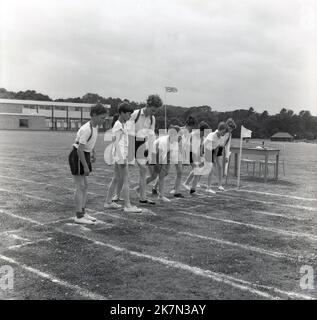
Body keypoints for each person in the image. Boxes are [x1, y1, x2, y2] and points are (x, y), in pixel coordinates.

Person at [68, 103, 108, 225]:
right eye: (102, 118)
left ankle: (83, 212)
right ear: (94, 115)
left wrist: (92, 153)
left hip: (84, 154)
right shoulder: (87, 129)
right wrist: (85, 166)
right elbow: (79, 149)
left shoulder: (94, 127)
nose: (103, 120)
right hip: (78, 155)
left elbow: (88, 145)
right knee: (80, 186)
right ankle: (78, 215)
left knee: (85, 186)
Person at [104, 102, 142, 213]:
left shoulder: (122, 124)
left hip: (119, 155)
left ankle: (108, 202)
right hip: (120, 156)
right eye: (128, 114)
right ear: (121, 113)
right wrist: (122, 157)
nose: (130, 116)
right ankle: (127, 205)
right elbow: (116, 142)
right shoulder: (118, 125)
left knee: (116, 178)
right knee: (126, 180)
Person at [127, 94, 163, 205]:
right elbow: (126, 131)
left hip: (141, 144)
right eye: (153, 109)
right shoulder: (134, 114)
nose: (154, 112)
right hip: (129, 142)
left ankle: (143, 197)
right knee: (122, 172)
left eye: (156, 110)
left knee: (143, 170)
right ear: (147, 105)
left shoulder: (152, 119)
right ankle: (116, 196)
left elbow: (151, 137)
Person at [153, 116, 197, 198]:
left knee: (180, 172)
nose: (192, 128)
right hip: (172, 152)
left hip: (179, 154)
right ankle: (155, 187)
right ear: (188, 124)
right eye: (191, 126)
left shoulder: (189, 134)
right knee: (165, 172)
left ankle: (176, 191)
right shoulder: (179, 130)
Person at [190, 121, 228, 194]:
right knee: (206, 169)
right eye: (224, 131)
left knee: (202, 170)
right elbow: (204, 144)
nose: (224, 134)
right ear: (221, 129)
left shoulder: (220, 138)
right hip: (206, 152)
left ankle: (195, 188)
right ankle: (200, 188)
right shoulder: (212, 135)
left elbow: (216, 149)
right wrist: (202, 154)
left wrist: (213, 158)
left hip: (210, 153)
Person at [146, 125, 181, 202]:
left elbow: (169, 153)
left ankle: (139, 188)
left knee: (157, 175)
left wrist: (167, 164)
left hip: (158, 156)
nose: (180, 136)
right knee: (157, 175)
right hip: (153, 156)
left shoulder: (173, 141)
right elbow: (158, 154)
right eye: (179, 134)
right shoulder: (164, 141)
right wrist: (160, 166)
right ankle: (161, 195)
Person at [206, 118, 236, 193]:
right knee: (210, 166)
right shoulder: (219, 131)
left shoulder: (229, 135)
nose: (230, 130)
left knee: (220, 166)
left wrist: (227, 156)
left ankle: (220, 185)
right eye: (230, 128)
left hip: (220, 149)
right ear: (227, 126)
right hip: (213, 148)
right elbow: (215, 139)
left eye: (232, 129)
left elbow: (227, 145)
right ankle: (206, 185)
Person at [183, 121, 211, 189]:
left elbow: (201, 147)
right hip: (189, 153)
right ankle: (189, 186)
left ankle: (188, 184)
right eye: (205, 132)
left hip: (196, 154)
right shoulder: (193, 134)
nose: (206, 133)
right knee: (197, 170)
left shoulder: (202, 137)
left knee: (199, 169)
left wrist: (201, 156)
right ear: (201, 131)